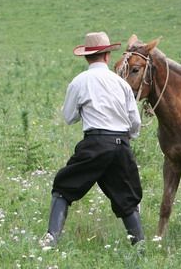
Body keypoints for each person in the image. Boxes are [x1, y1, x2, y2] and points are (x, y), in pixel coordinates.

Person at [40, 32, 144, 248]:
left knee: (63, 186)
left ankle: (51, 239)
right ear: (107, 56)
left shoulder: (79, 82)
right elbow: (135, 122)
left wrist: (84, 110)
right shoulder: (121, 83)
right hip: (121, 143)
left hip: (95, 143)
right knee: (127, 198)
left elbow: (69, 117)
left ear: (87, 57)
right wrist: (125, 138)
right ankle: (140, 246)